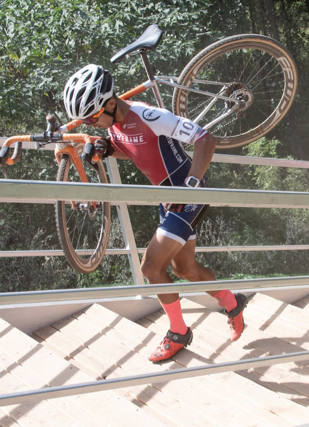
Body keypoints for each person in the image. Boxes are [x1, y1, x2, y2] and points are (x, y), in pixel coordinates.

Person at [63, 64, 247, 363]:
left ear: (110, 103)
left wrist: (190, 185)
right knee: (184, 270)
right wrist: (109, 149)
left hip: (187, 192)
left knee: (150, 267)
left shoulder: (148, 115)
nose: (90, 123)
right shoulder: (113, 123)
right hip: (169, 198)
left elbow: (206, 139)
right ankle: (233, 302)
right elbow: (136, 149)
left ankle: (178, 332)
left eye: (92, 117)